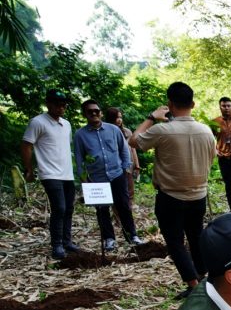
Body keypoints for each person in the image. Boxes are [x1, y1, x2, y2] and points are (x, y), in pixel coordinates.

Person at [131, 82, 217, 299]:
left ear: (169, 104)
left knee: (175, 241)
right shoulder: (206, 131)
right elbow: (212, 156)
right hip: (199, 194)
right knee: (196, 236)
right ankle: (202, 276)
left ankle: (193, 283)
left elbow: (133, 140)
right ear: (193, 104)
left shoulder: (162, 130)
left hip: (171, 196)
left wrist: (152, 117)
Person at [72, 99, 143, 250]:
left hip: (117, 174)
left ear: (101, 113)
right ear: (85, 114)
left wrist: (125, 168)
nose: (93, 113)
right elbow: (79, 159)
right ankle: (109, 239)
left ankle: (132, 236)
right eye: (90, 111)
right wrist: (84, 179)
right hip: (96, 178)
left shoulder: (113, 129)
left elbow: (124, 150)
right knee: (102, 209)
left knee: (123, 206)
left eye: (96, 111)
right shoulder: (80, 135)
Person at [21, 89, 76, 259]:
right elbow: (26, 145)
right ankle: (57, 245)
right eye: (57, 104)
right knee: (59, 207)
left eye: (63, 105)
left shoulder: (66, 124)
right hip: (49, 173)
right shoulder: (38, 122)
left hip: (67, 173)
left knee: (68, 208)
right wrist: (29, 169)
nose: (61, 108)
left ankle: (67, 241)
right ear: (48, 104)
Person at [105, 107, 140, 202]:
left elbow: (132, 149)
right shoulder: (105, 132)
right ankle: (117, 216)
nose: (119, 120)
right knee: (116, 195)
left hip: (128, 166)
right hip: (114, 168)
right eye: (116, 117)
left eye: (120, 117)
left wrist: (137, 165)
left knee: (130, 192)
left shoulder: (127, 132)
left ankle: (128, 214)